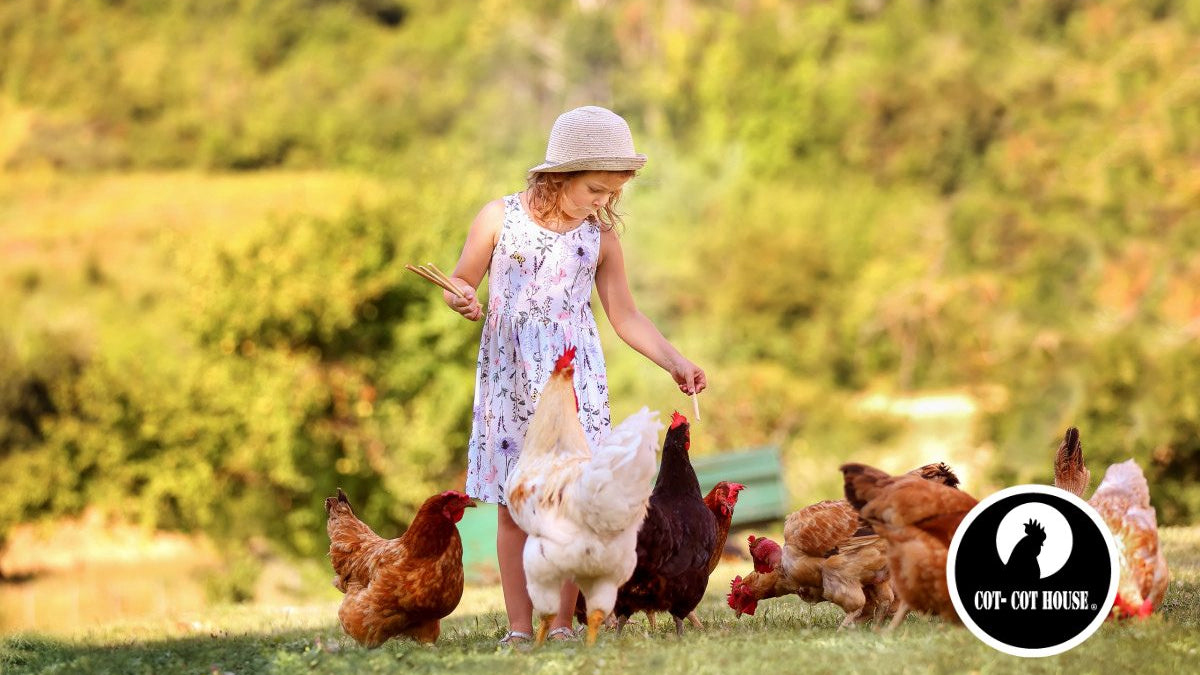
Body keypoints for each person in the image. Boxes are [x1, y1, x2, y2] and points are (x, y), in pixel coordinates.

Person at [441, 105, 707, 645]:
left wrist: (676, 361)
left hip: (574, 380)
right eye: (595, 189)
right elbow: (461, 279)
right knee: (516, 509)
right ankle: (520, 629)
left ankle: (561, 625)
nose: (604, 202)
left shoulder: (599, 241)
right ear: (559, 174)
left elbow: (626, 316)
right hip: (511, 380)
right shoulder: (499, 219)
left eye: (613, 193)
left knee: (573, 507)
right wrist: (463, 297)